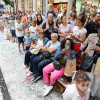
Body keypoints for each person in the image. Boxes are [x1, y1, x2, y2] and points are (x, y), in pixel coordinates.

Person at [80, 24, 100, 100]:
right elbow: (83, 45)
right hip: (90, 61)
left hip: (99, 63)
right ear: (98, 29)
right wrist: (82, 52)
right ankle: (86, 95)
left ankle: (92, 95)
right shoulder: (92, 36)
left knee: (97, 81)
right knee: (89, 78)